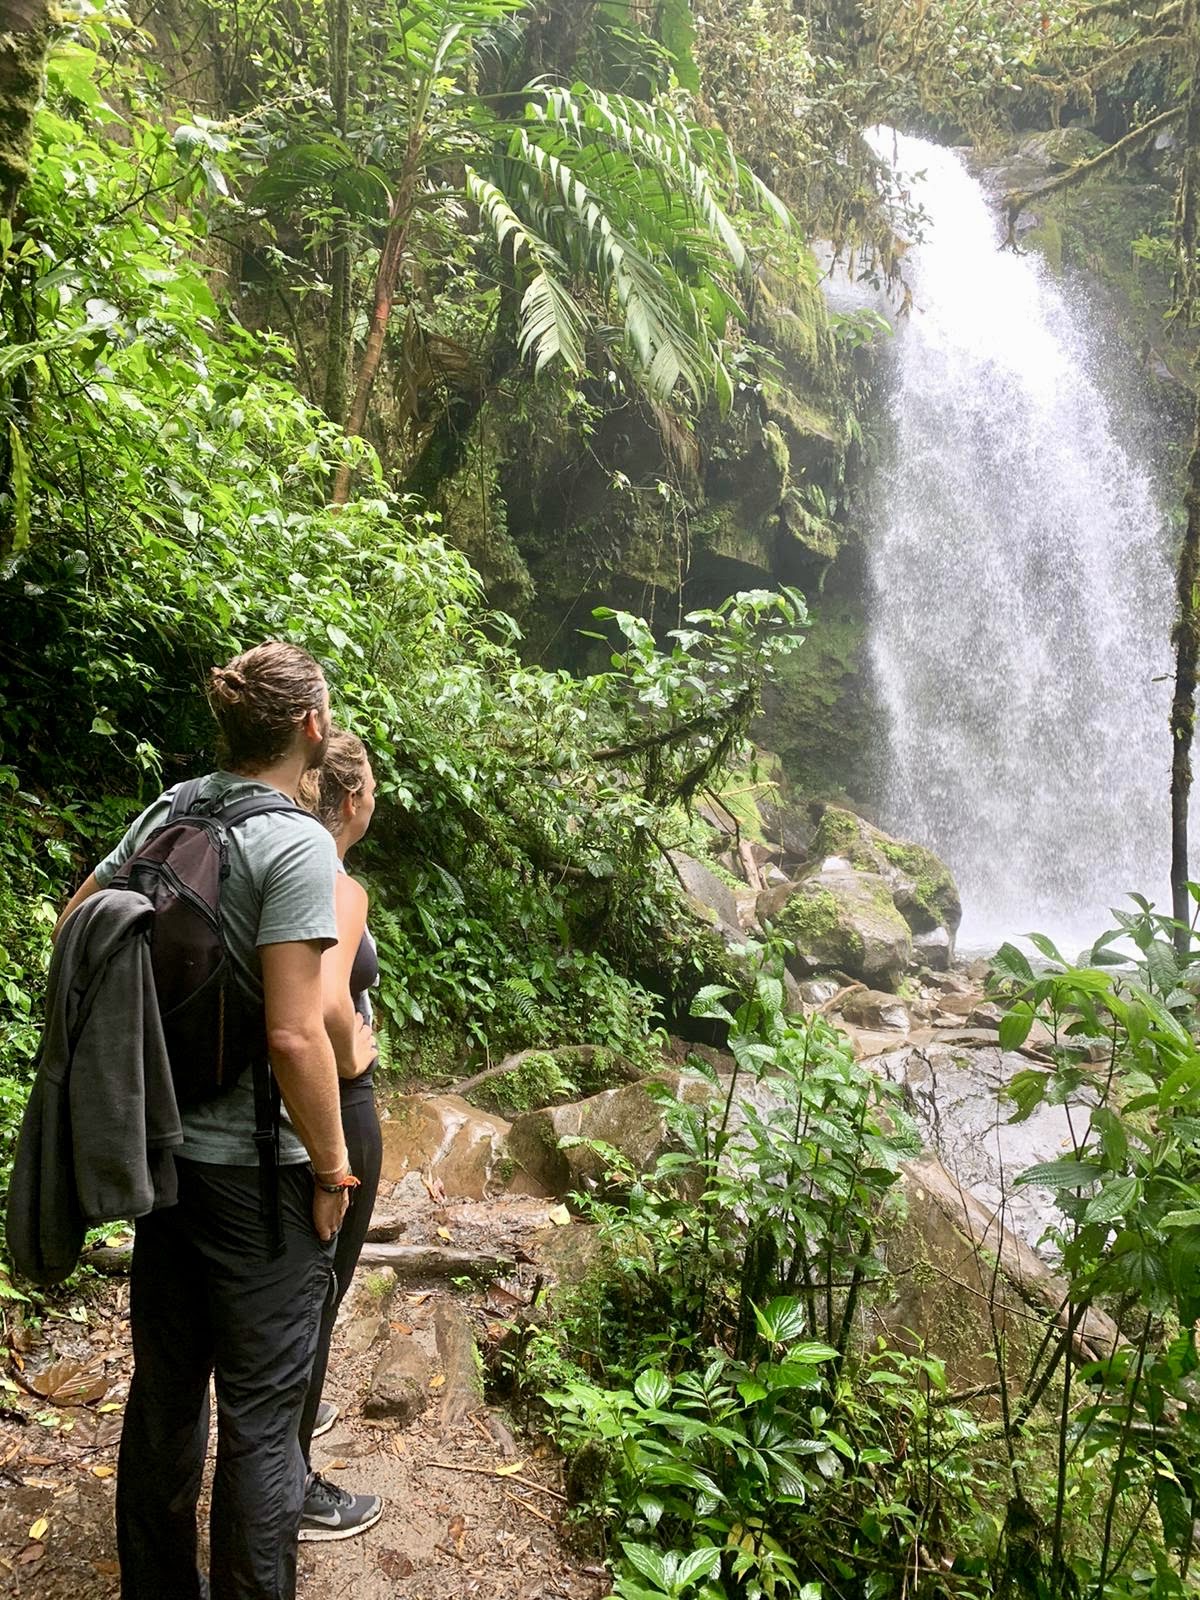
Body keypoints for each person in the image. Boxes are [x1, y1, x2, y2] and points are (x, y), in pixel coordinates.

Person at [55, 641, 367, 1600]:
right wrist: (332, 1169)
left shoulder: (172, 808)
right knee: (265, 1423)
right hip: (259, 1178)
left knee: (164, 1399)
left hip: (165, 1159)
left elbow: (79, 919)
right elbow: (295, 1032)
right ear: (312, 729)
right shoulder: (298, 843)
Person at [294, 729, 385, 1541]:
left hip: (281, 1106)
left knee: (300, 1287)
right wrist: (355, 1046)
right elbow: (325, 1005)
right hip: (338, 1109)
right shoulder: (334, 879)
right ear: (352, 800)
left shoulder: (271, 854)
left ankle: (290, 1423)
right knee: (319, 1291)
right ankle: (294, 1483)